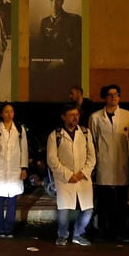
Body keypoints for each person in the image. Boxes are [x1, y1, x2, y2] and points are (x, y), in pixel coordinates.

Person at [88, 84, 129, 242]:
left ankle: (120, 231)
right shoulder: (95, 117)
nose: (113, 97)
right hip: (104, 164)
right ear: (104, 97)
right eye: (110, 94)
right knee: (103, 201)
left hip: (122, 163)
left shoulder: (128, 116)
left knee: (121, 201)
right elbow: (92, 141)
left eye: (116, 94)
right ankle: (102, 230)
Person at [46, 102, 96, 247]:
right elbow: (52, 159)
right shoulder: (55, 135)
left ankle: (78, 234)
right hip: (64, 179)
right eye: (71, 115)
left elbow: (92, 157)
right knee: (64, 210)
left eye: (77, 115)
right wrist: (68, 175)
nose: (75, 118)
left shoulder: (86, 133)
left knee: (87, 209)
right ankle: (62, 235)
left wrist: (83, 173)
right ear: (63, 117)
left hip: (83, 178)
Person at [32, 0, 81, 100]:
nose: (54, 4)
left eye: (57, 0)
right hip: (48, 71)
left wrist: (61, 61)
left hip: (68, 70)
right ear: (47, 2)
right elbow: (40, 49)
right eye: (51, 0)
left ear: (62, 1)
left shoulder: (74, 20)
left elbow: (80, 49)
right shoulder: (44, 22)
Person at [0, 101, 28, 239]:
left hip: (15, 170)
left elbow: (24, 150)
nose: (9, 114)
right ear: (1, 114)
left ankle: (9, 229)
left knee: (12, 202)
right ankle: (0, 229)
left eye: (11, 111)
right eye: (6, 111)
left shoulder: (20, 129)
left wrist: (24, 168)